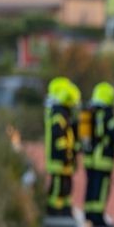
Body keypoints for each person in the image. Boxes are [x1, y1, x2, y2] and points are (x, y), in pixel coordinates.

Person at [80, 82, 114, 227]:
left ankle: (89, 215)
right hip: (103, 159)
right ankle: (98, 218)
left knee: (91, 186)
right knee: (101, 187)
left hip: (89, 158)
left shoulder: (90, 111)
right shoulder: (108, 115)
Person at [44, 77, 78, 217]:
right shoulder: (59, 114)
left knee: (65, 186)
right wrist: (66, 154)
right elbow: (59, 137)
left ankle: (64, 211)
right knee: (58, 186)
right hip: (58, 159)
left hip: (63, 159)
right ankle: (53, 212)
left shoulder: (61, 113)